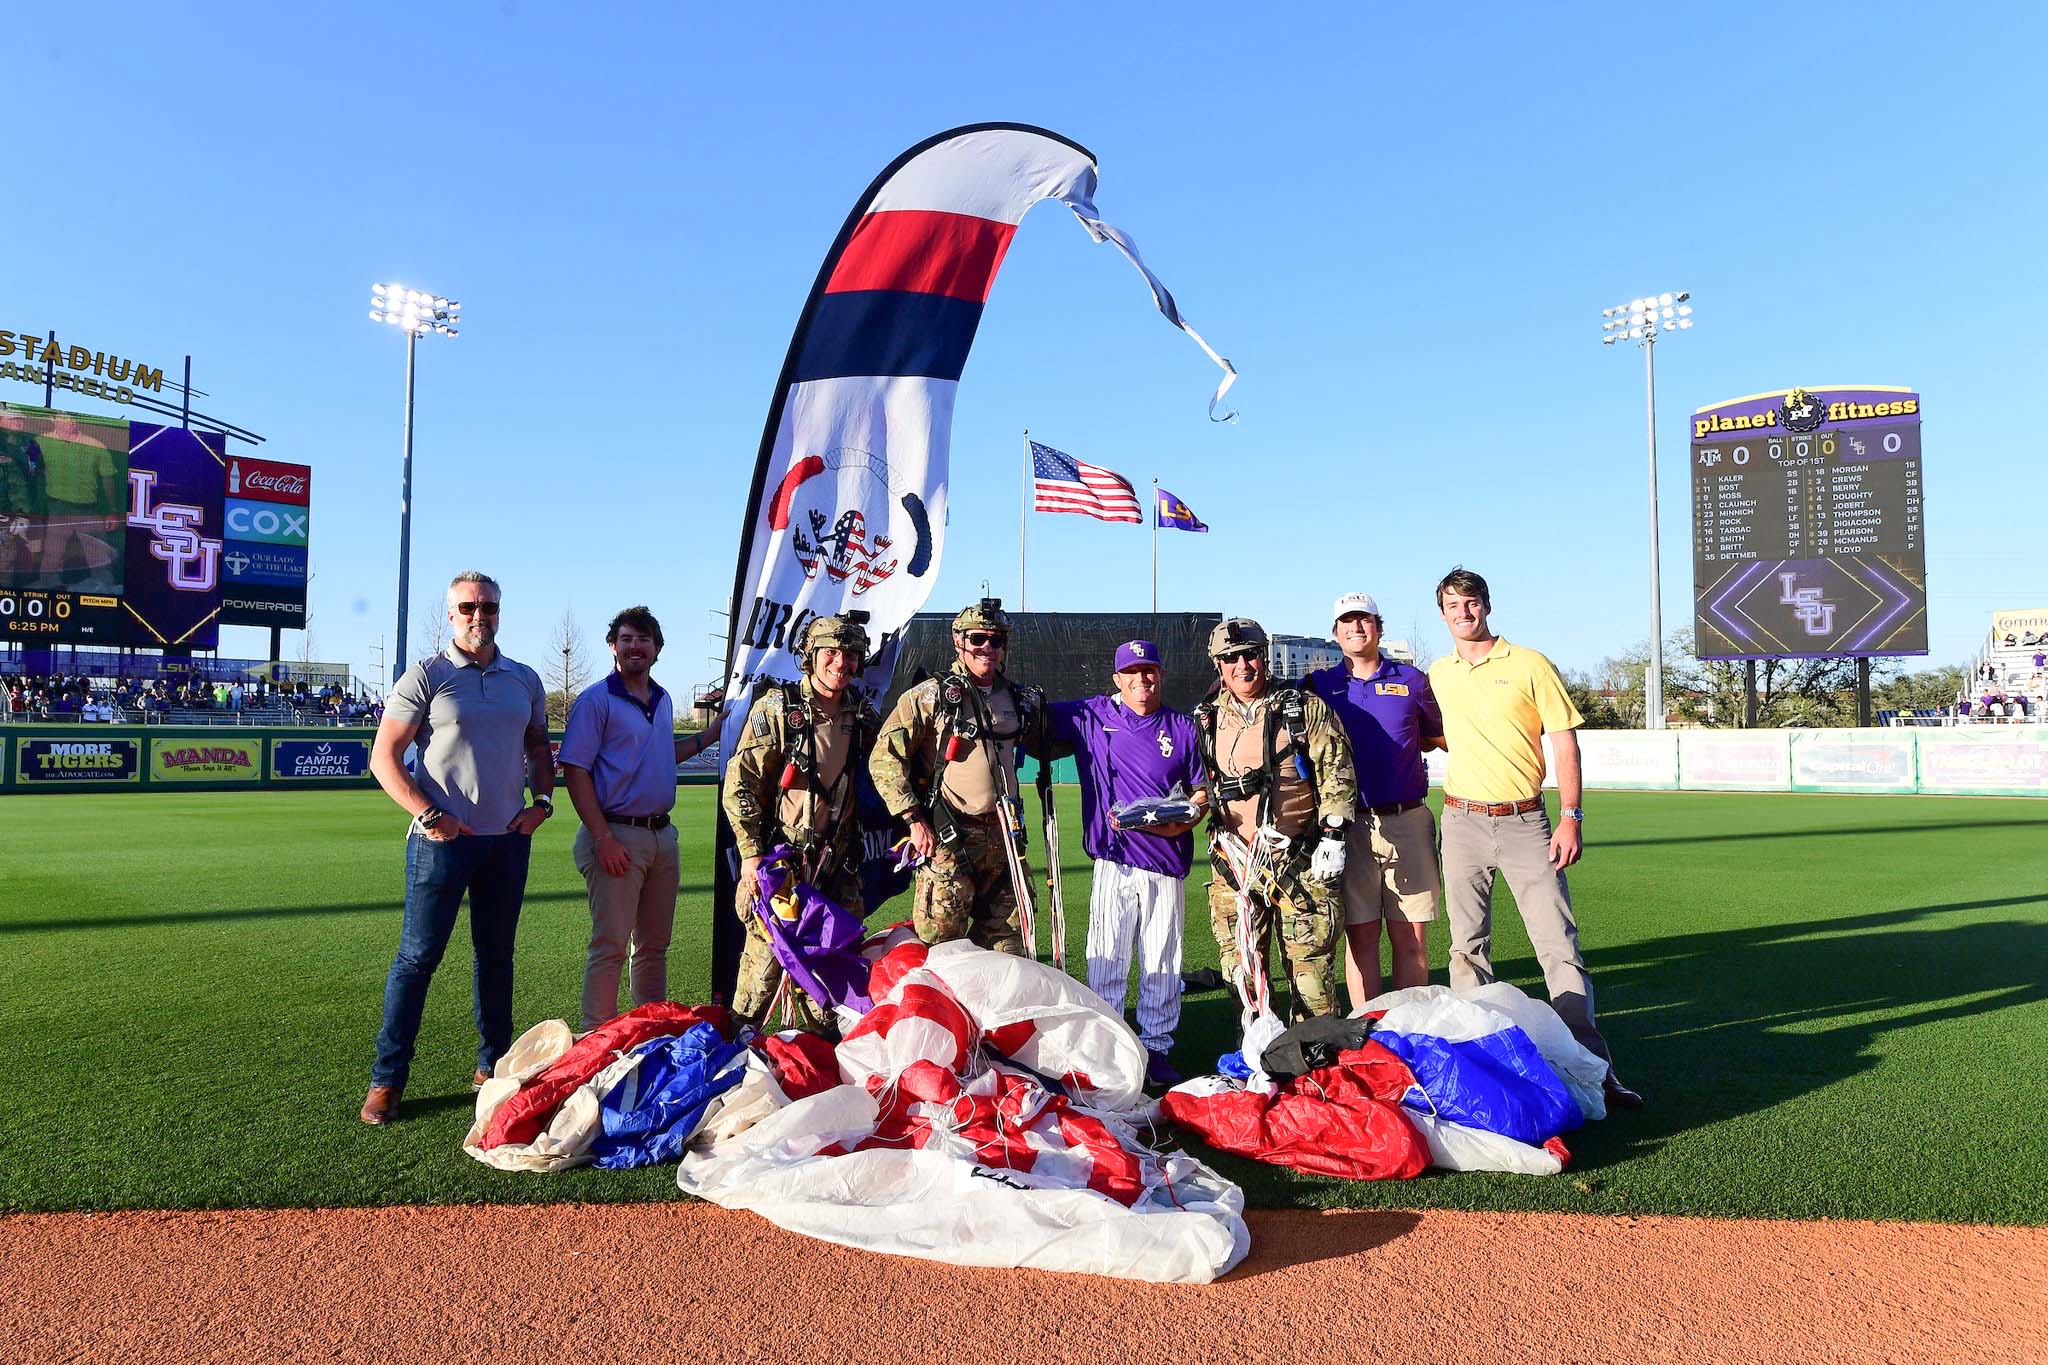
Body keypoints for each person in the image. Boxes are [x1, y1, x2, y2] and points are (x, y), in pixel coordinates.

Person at [1427, 566, 1642, 1109]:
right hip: (1460, 821)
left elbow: (1564, 742)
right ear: (1443, 614)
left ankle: (1595, 1071)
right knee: (1466, 949)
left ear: (1487, 605)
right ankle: (1475, 1068)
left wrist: (1572, 815)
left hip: (1526, 822)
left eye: (1471, 602)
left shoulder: (1529, 663)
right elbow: (1434, 732)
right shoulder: (1439, 672)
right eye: (1453, 605)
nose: (1463, 612)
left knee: (1559, 949)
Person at [360, 571, 554, 1126]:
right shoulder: (427, 675)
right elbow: (384, 758)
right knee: (417, 959)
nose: (479, 615)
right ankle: (388, 1079)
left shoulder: (524, 679)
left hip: (506, 842)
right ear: (450, 614)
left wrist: (542, 803)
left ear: (499, 611)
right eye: (468, 607)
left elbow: (540, 748)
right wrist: (428, 814)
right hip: (441, 844)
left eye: (488, 607)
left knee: (496, 958)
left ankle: (493, 1067)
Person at [1048, 640, 1209, 1085]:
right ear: (1117, 679)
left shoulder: (1182, 727)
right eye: (1132, 672)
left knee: (1162, 961)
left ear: (1161, 674)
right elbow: (1031, 715)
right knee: (1106, 961)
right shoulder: (1091, 714)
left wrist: (1191, 814)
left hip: (1165, 861)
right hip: (1112, 861)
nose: (1142, 679)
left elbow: (1200, 789)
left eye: (1150, 670)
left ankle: (1157, 1049)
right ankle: (1109, 1048)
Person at [559, 605, 719, 1033]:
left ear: (657, 649)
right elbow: (574, 770)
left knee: (654, 946)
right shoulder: (596, 700)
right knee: (610, 945)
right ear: (613, 646)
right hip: (616, 832)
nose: (635, 646)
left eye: (644, 640)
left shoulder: (663, 698)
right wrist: (602, 837)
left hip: (661, 834)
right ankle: (597, 1035)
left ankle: (650, 1030)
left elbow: (666, 754)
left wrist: (713, 732)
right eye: (627, 638)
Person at [721, 613, 879, 1030]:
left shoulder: (861, 716)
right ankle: (739, 1064)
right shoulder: (777, 710)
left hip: (837, 869)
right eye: (830, 652)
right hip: (780, 868)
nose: (840, 663)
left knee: (832, 986)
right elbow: (740, 786)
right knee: (761, 980)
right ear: (810, 656)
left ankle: (821, 1071)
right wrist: (752, 858)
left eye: (849, 654)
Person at [1194, 617, 1356, 1021]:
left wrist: (1334, 835)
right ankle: (1258, 1060)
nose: (1242, 665)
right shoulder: (1205, 718)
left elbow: (1336, 770)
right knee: (1242, 976)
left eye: (1250, 654)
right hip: (1234, 867)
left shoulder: (1301, 709)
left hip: (1298, 863)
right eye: (1230, 658)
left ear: (1263, 656)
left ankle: (1318, 1067)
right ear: (1218, 665)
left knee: (1312, 980)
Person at [871, 598, 1053, 954]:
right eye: (978, 639)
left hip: (1005, 841)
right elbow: (885, 758)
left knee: (1010, 949)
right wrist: (913, 819)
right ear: (959, 641)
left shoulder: (1017, 699)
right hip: (949, 838)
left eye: (997, 640)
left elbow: (1050, 740)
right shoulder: (930, 696)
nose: (988, 648)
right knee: (944, 952)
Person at [1305, 592, 1446, 1009]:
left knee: (1412, 939)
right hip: (1346, 828)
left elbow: (1438, 738)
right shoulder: (1318, 685)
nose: (1356, 628)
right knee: (1361, 936)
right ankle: (1369, 1031)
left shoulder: (1412, 679)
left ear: (1379, 627)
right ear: (1335, 633)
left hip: (1407, 819)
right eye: (1346, 622)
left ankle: (1409, 1028)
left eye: (1364, 620)